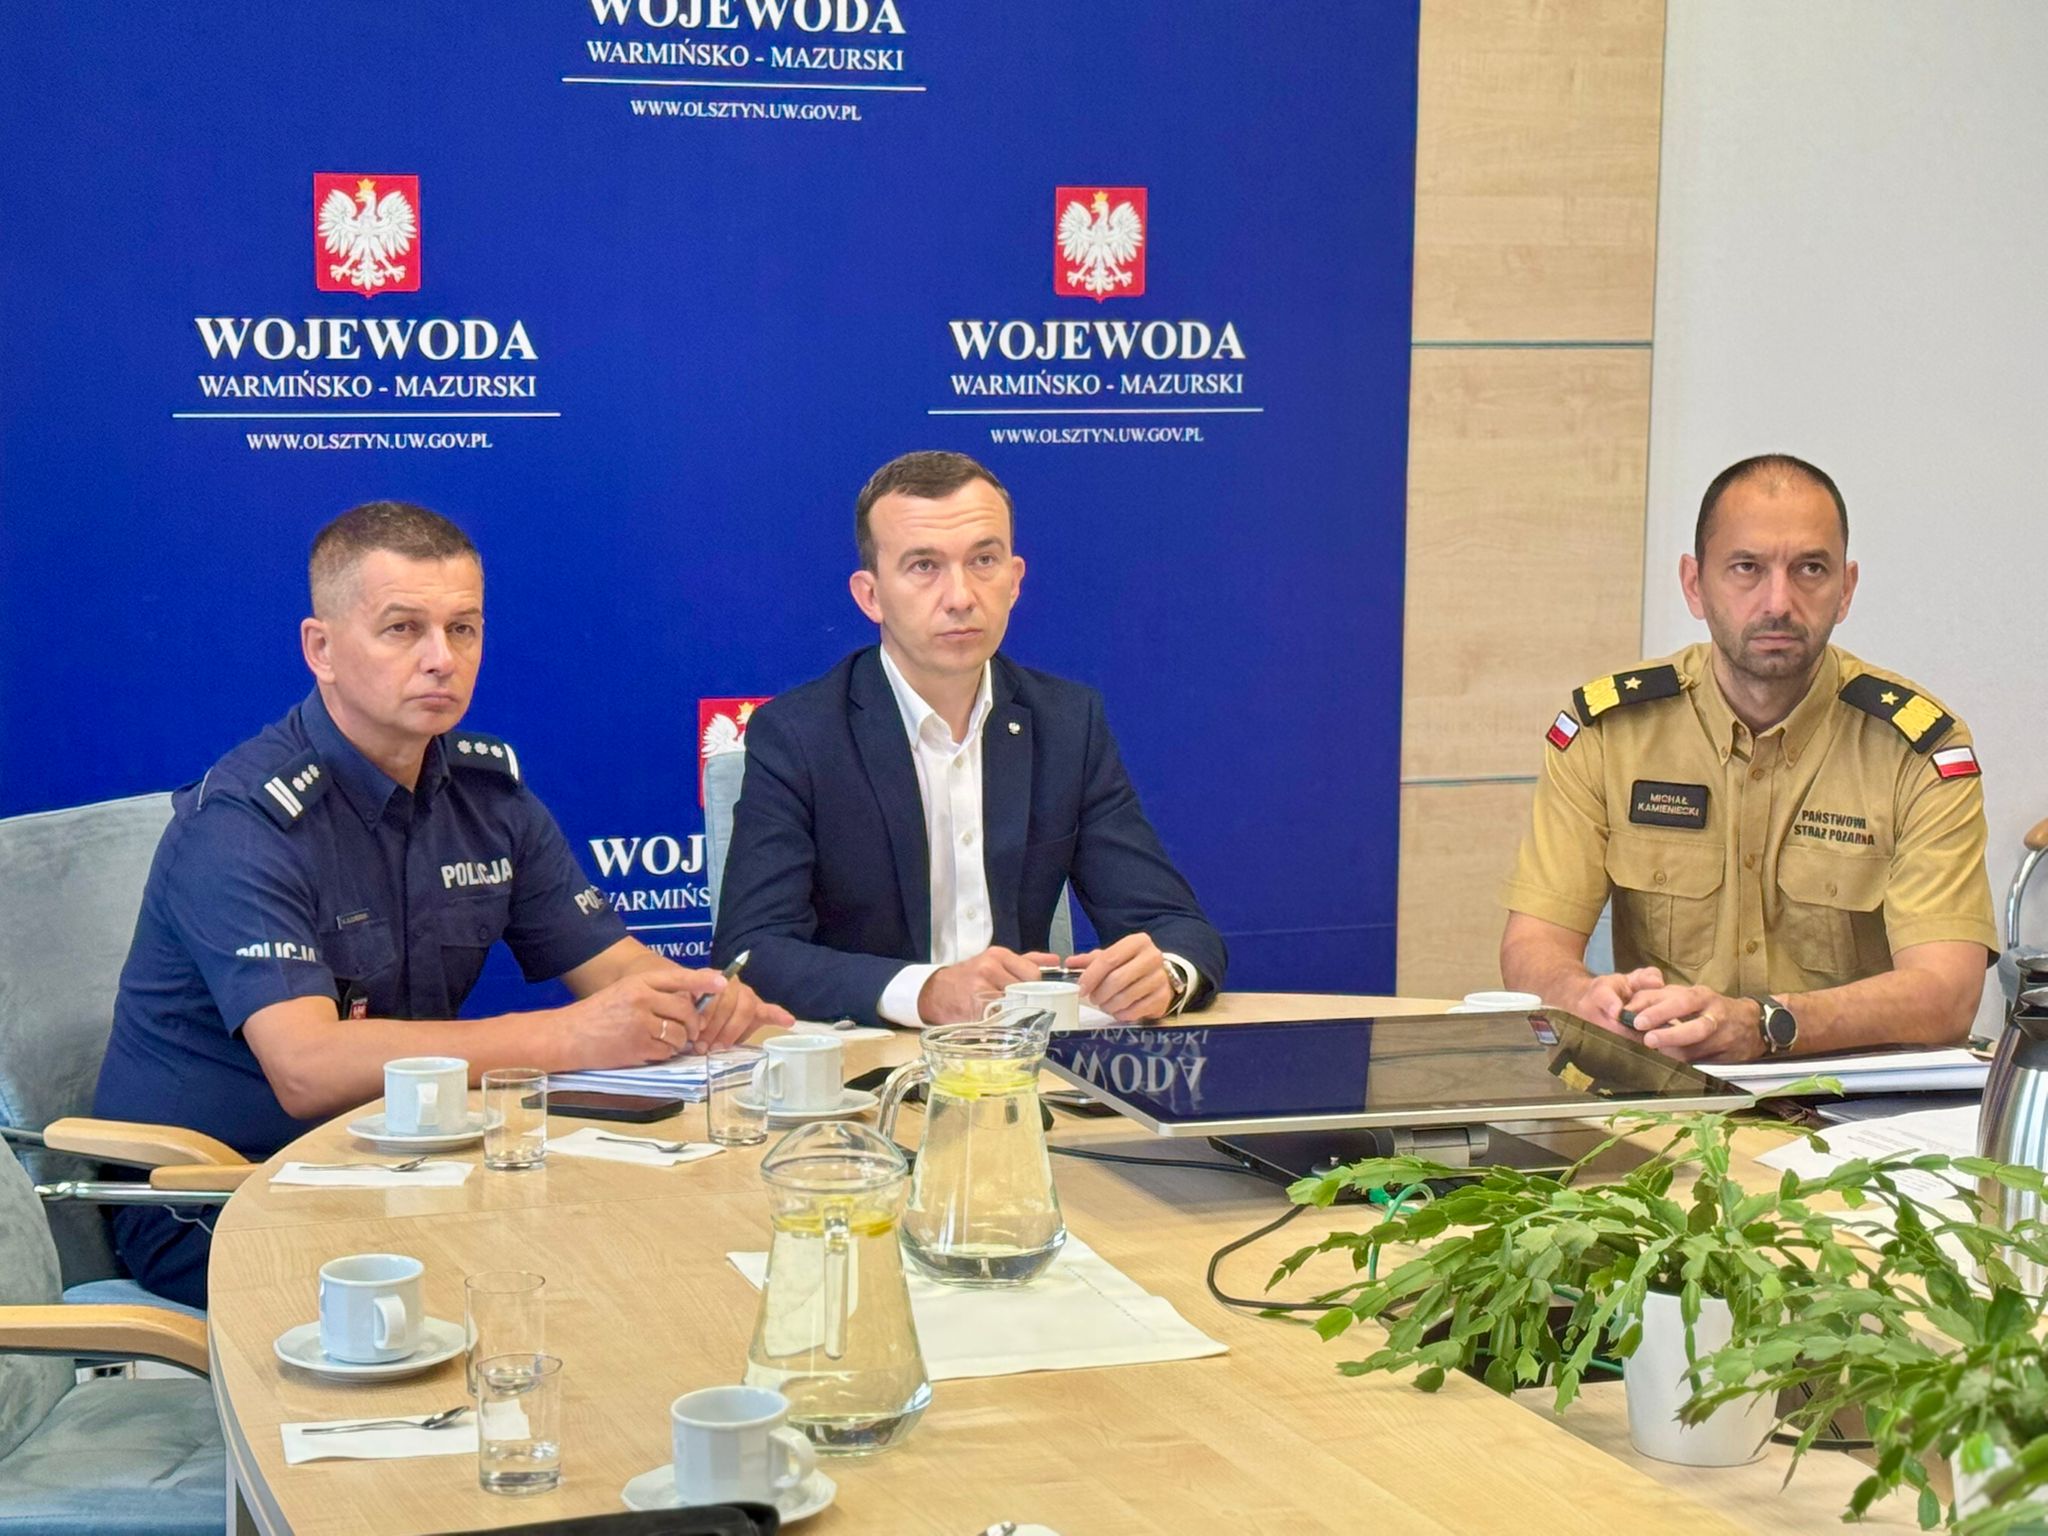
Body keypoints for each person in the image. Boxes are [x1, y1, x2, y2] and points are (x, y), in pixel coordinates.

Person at [94, 501, 788, 1306]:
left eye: (463, 629)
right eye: (403, 629)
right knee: (517, 1283)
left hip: (402, 1165)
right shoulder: (245, 821)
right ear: (321, 649)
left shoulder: (487, 795)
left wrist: (698, 1001)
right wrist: (571, 1036)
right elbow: (306, 1067)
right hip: (217, 1192)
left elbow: (615, 968)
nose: (441, 659)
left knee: (643, 1237)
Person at [1499, 454, 1994, 1063]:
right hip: (1668, 1080)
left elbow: (1947, 994)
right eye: (1746, 568)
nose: (1778, 601)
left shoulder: (1917, 750)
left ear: (1845, 589)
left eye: (1810, 568)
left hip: (1850, 1095)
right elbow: (1532, 946)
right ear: (1694, 584)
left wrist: (1765, 1024)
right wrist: (1584, 999)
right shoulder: (1610, 732)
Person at [713, 450, 1226, 1029]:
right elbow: (751, 952)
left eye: (983, 560)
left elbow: (1176, 927)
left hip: (1023, 1061)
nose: (960, 596)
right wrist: (927, 991)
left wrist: (1166, 976)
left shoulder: (1066, 723)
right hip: (870, 1059)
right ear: (870, 595)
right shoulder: (801, 734)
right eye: (924, 566)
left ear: (1015, 580)